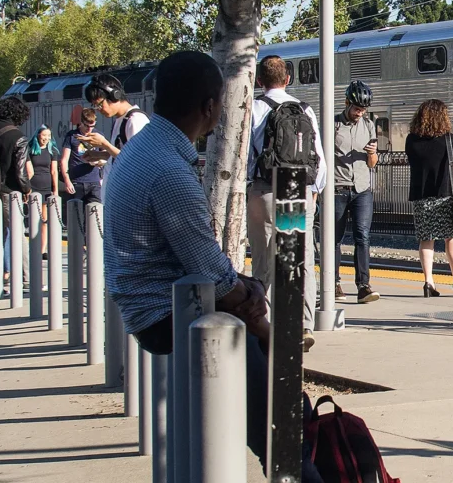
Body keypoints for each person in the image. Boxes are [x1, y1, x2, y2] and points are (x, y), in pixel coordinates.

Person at [104, 51, 321, 481]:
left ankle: (278, 359)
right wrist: (248, 295)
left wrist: (242, 287)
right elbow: (211, 274)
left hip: (156, 301)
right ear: (209, 107)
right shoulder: (169, 171)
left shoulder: (142, 149)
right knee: (283, 432)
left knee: (257, 289)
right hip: (169, 313)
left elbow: (206, 265)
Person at [247, 55, 326, 351]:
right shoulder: (303, 109)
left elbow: (244, 158)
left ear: (258, 81)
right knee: (297, 259)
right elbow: (320, 160)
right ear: (288, 79)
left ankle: (263, 325)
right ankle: (303, 325)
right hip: (295, 192)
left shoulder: (254, 108)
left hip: (265, 192)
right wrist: (313, 193)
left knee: (263, 262)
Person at [318, 80, 380, 304]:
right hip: (337, 188)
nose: (359, 113)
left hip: (362, 188)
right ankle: (332, 283)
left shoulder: (369, 125)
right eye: (356, 109)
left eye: (363, 110)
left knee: (362, 236)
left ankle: (363, 285)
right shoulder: (333, 124)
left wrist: (373, 153)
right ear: (347, 103)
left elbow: (372, 163)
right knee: (334, 238)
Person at [404, 99, 453, 298]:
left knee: (426, 240)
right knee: (452, 239)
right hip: (445, 195)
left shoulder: (411, 140)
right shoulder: (448, 139)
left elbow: (413, 162)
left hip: (421, 196)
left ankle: (428, 283)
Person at [0, 98, 32, 290]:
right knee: (17, 234)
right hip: (7, 193)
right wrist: (27, 190)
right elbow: (20, 173)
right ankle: (27, 278)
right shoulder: (17, 136)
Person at [79, 73, 150, 187]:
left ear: (114, 95)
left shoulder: (135, 120)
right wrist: (100, 155)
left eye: (99, 104)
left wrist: (104, 144)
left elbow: (138, 161)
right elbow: (123, 157)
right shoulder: (120, 120)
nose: (98, 110)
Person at [26, 125, 60, 261]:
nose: (46, 138)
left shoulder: (53, 151)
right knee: (34, 219)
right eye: (44, 135)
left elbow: (54, 171)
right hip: (33, 186)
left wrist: (55, 189)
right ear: (38, 135)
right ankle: (33, 246)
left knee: (44, 220)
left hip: (46, 187)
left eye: (48, 136)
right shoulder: (30, 150)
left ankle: (42, 249)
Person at [60, 108, 104, 205]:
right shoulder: (71, 136)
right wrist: (67, 181)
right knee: (77, 215)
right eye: (87, 126)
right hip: (77, 181)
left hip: (94, 182)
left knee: (95, 214)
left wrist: (101, 171)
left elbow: (105, 156)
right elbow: (64, 160)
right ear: (82, 122)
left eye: (92, 126)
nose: (89, 129)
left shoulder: (98, 135)